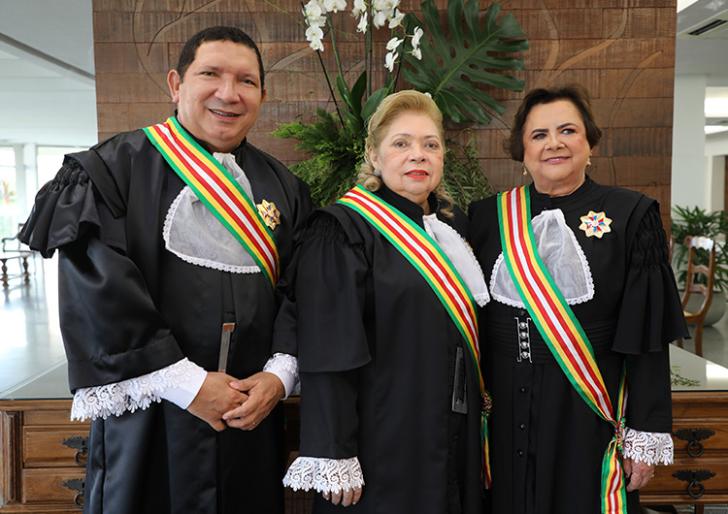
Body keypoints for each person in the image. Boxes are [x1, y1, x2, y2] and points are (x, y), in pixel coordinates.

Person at [19, 26, 311, 514]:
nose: (228, 93)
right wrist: (189, 386)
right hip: (152, 417)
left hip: (249, 418)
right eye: (211, 75)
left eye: (245, 81)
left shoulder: (285, 188)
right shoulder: (112, 170)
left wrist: (278, 376)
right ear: (176, 84)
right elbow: (97, 289)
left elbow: (302, 289)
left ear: (262, 94)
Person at [468, 85, 688, 514]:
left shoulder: (631, 216)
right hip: (505, 410)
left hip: (588, 408)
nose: (554, 143)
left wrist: (645, 434)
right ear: (523, 151)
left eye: (567, 130)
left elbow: (646, 339)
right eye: (539, 135)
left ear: (588, 142)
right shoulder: (484, 217)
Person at [282, 90, 490, 513]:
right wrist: (334, 450)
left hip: (453, 431)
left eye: (431, 145)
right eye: (402, 143)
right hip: (383, 436)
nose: (419, 155)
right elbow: (327, 347)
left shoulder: (453, 227)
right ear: (374, 156)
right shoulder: (342, 230)